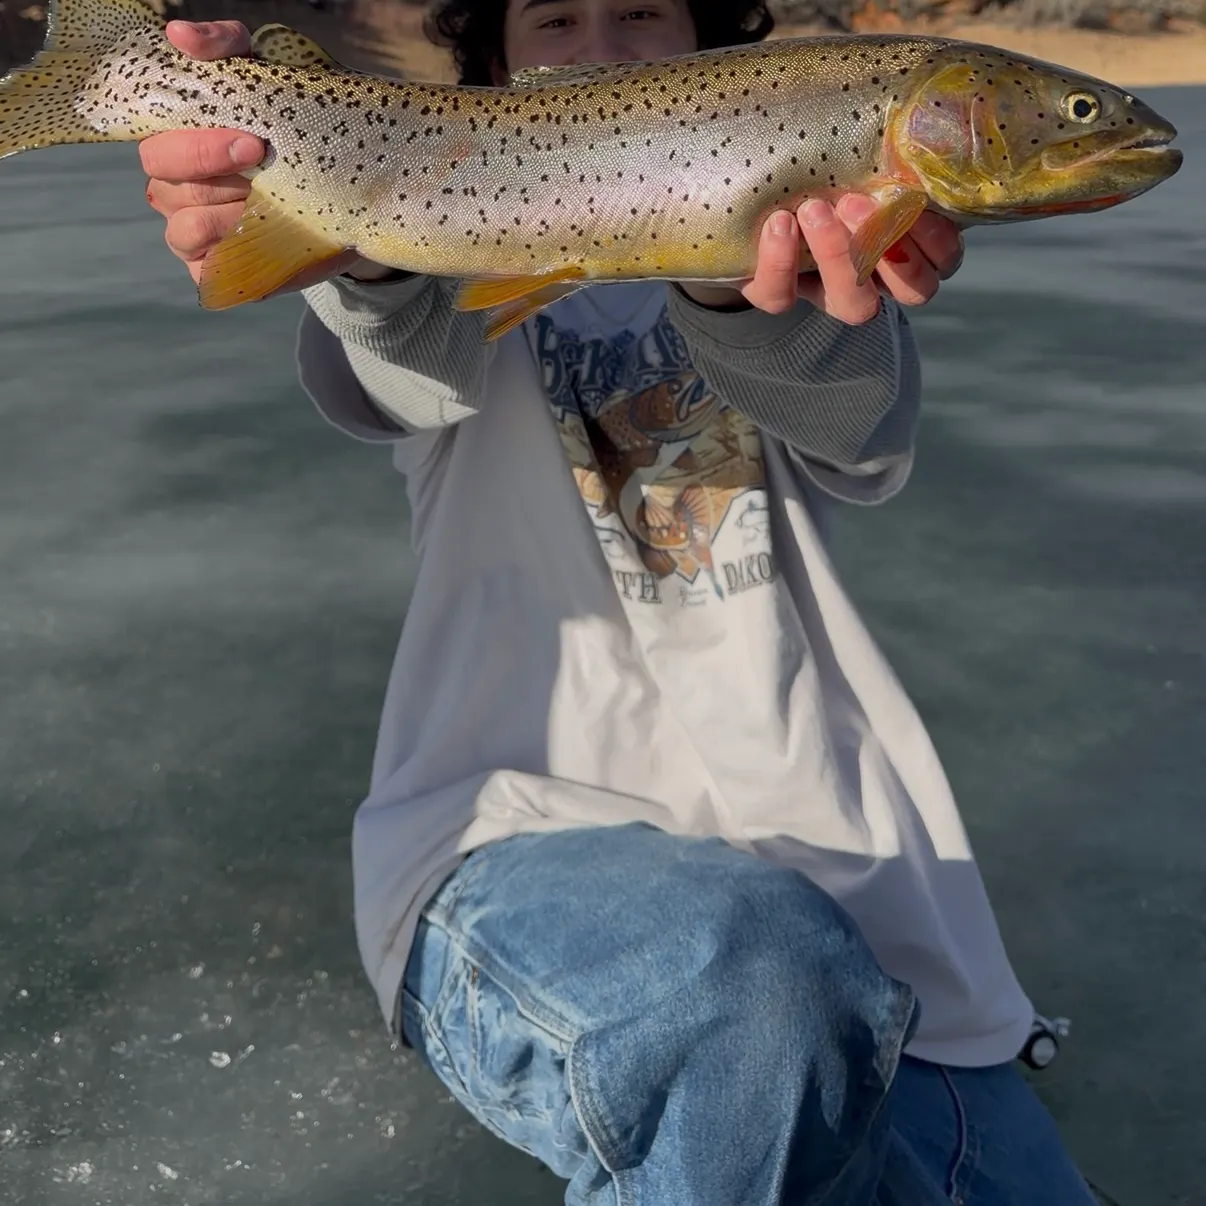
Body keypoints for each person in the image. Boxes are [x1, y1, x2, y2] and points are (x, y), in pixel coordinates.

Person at [139, 2, 1101, 1203]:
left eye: (643, 13)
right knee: (750, 988)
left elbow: (855, 422)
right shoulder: (449, 279)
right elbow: (397, 365)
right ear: (491, 69)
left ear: (723, 51)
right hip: (509, 839)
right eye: (556, 18)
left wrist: (752, 300)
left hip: (872, 900)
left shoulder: (814, 277)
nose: (599, 51)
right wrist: (349, 230)